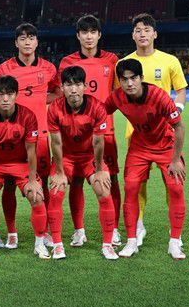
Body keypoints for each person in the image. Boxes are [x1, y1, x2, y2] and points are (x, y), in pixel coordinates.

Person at [104, 59, 187, 260]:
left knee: (176, 188)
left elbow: (179, 127)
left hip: (165, 145)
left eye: (133, 78)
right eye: (124, 79)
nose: (129, 83)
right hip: (139, 147)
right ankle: (131, 241)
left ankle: (175, 242)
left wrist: (176, 159)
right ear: (119, 81)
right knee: (131, 188)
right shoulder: (117, 97)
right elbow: (99, 112)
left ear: (141, 78)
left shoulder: (159, 96)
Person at [122, 13, 188, 247]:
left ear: (155, 34)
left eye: (147, 30)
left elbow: (181, 90)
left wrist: (176, 110)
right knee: (136, 183)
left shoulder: (169, 61)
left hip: (165, 134)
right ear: (133, 35)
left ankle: (175, 227)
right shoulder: (125, 63)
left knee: (172, 181)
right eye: (138, 30)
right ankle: (138, 225)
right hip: (136, 133)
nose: (142, 34)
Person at [0, 23, 60, 249]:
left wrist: (40, 100)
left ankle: (45, 230)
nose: (27, 42)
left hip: (40, 135)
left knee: (43, 183)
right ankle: (11, 232)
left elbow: (58, 91)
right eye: (22, 38)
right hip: (11, 137)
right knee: (9, 184)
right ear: (16, 43)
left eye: (31, 38)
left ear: (37, 42)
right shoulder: (4, 68)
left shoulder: (49, 68)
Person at [57, 15, 121, 247]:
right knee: (76, 181)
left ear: (99, 35)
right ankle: (79, 230)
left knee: (111, 180)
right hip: (74, 134)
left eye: (93, 32)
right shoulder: (67, 62)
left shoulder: (112, 60)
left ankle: (114, 229)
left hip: (105, 132)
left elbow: (117, 94)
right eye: (84, 32)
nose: (89, 36)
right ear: (78, 36)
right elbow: (62, 95)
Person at [47, 66, 118, 260]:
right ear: (62, 87)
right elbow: (56, 143)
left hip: (89, 157)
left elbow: (98, 142)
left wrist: (100, 169)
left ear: (85, 86)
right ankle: (58, 245)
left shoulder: (97, 107)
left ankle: (107, 244)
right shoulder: (54, 108)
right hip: (66, 157)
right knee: (56, 192)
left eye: (78, 84)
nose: (73, 89)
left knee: (103, 189)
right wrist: (59, 171)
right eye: (68, 85)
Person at [0, 75, 50, 260]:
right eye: (0, 94)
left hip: (21, 164)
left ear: (16, 94)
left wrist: (32, 180)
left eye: (9, 94)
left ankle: (40, 245)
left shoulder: (28, 116)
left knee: (37, 196)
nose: (5, 99)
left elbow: (31, 151)